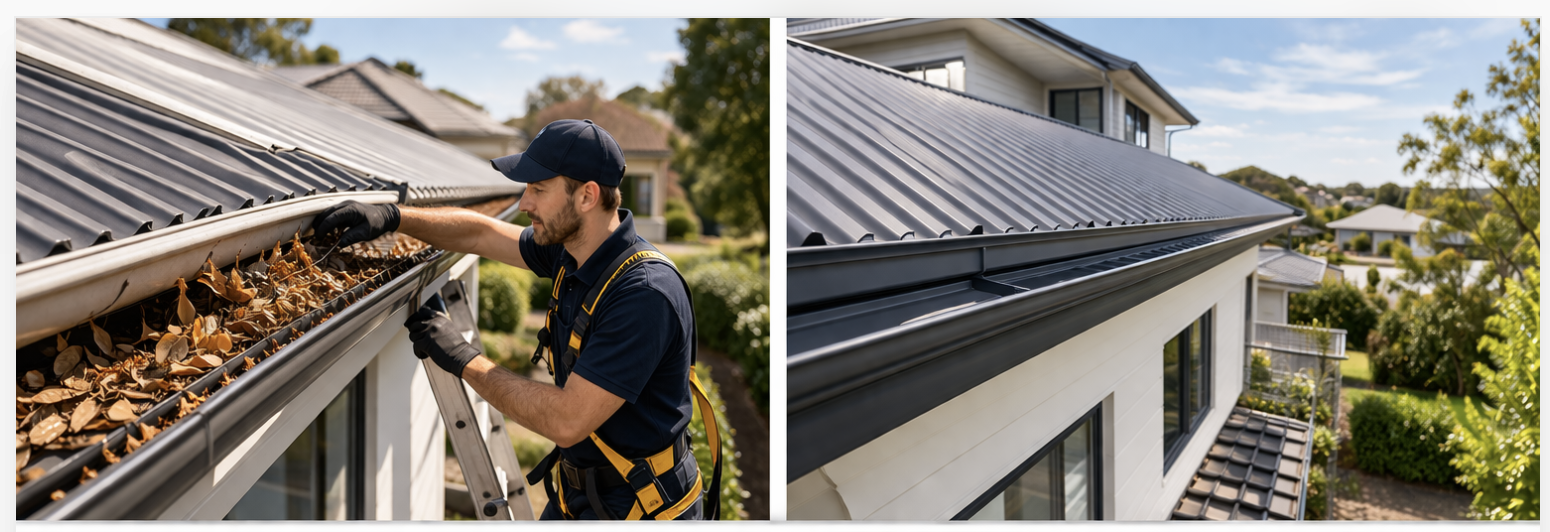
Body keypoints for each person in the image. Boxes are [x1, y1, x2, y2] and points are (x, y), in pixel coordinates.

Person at [310, 119, 715, 520]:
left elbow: (566, 419)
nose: (524, 204)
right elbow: (479, 235)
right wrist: (394, 217)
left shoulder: (643, 294)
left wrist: (463, 357)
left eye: (538, 189)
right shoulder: (572, 250)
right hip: (581, 493)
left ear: (587, 197)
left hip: (640, 508)